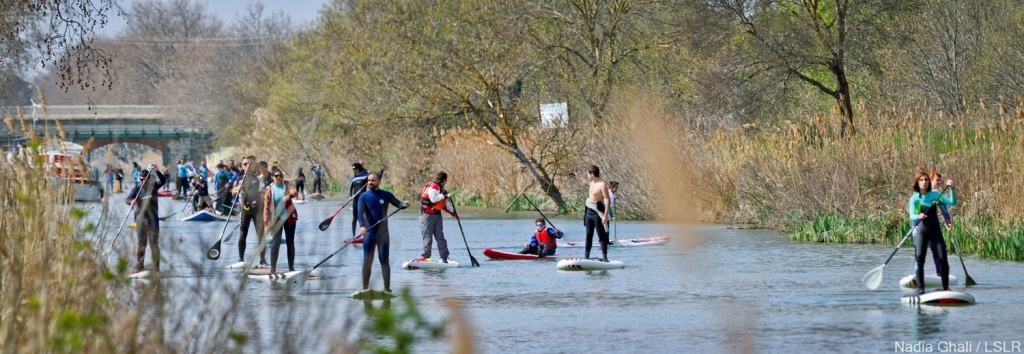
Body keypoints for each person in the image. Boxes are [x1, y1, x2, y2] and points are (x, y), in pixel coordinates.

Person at [357, 173, 409, 292]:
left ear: (379, 181)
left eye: (373, 180)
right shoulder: (363, 196)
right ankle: (365, 289)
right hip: (369, 234)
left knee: (384, 260)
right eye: (369, 180)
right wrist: (362, 226)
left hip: (383, 235)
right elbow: (360, 213)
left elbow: (398, 204)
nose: (370, 182)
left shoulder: (386, 195)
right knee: (367, 261)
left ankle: (387, 289)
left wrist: (404, 204)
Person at [907, 171, 956, 294]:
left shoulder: (935, 195)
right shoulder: (914, 198)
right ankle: (921, 290)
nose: (924, 182)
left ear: (929, 182)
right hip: (922, 232)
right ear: (917, 183)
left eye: (926, 180)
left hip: (936, 232)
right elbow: (911, 215)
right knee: (920, 260)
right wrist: (918, 216)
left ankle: (946, 289)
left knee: (943, 259)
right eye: (921, 180)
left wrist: (952, 190)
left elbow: (952, 202)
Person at [126, 163, 167, 272]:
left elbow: (163, 180)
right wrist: (132, 201)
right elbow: (127, 199)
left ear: (149, 179)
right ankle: (139, 267)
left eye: (144, 179)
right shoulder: (136, 189)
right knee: (141, 245)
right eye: (140, 179)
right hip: (141, 222)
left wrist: (156, 170)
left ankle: (156, 269)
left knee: (154, 245)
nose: (142, 181)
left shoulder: (153, 186)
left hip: (153, 221)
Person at [231, 156, 268, 266]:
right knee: (243, 235)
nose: (248, 166)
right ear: (242, 166)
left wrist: (256, 164)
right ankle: (241, 259)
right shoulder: (239, 179)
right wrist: (237, 189)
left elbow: (265, 173)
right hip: (245, 210)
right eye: (245, 164)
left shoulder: (259, 177)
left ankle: (263, 259)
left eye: (249, 164)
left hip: (257, 209)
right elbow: (233, 192)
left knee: (261, 235)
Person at [570, 165, 611, 262]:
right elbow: (584, 181)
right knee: (588, 234)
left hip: (598, 210)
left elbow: (608, 200)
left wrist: (605, 216)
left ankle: (605, 257)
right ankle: (586, 256)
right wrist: (576, 175)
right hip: (589, 211)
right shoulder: (592, 183)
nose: (587, 175)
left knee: (601, 235)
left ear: (592, 174)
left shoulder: (602, 185)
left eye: (588, 173)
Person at [263, 170, 299, 273]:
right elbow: (266, 208)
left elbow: (294, 192)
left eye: (280, 176)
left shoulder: (287, 185)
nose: (278, 177)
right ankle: (273, 269)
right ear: (272, 177)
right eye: (276, 176)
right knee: (275, 243)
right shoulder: (269, 189)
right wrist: (266, 224)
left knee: (290, 242)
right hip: (276, 219)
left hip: (289, 218)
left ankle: (291, 268)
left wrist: (289, 196)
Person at [418, 171, 458, 262]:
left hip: (437, 215)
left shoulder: (442, 190)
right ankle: (425, 257)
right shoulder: (433, 186)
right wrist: (446, 195)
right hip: (426, 215)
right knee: (427, 237)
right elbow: (433, 198)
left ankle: (445, 257)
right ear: (444, 180)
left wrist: (454, 215)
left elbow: (445, 205)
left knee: (440, 237)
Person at [349, 162, 385, 238]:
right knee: (355, 217)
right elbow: (350, 190)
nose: (353, 170)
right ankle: (353, 236)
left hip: (364, 199)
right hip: (356, 199)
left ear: (358, 169)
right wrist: (350, 196)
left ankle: (369, 234)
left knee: (367, 216)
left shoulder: (366, 177)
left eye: (354, 169)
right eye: (352, 169)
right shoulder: (352, 179)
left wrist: (381, 172)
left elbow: (377, 178)